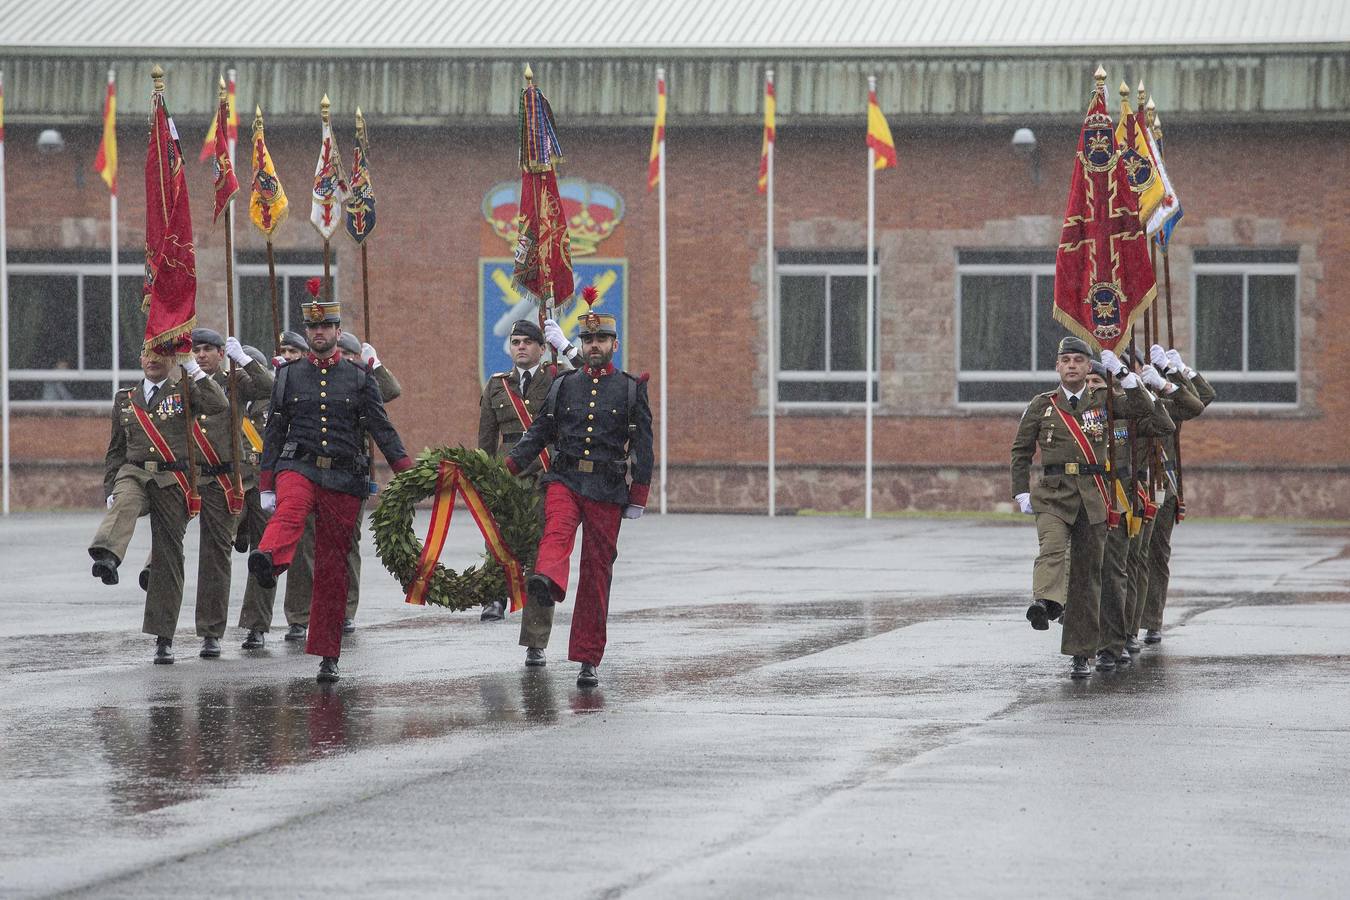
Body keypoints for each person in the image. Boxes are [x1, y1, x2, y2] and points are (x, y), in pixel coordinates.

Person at [248, 291, 412, 683]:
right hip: (298, 465)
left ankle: (327, 654)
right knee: (288, 511)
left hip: (343, 477)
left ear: (338, 331)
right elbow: (274, 433)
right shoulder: (288, 375)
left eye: (325, 326)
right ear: (307, 334)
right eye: (313, 328)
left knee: (332, 567)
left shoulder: (359, 378)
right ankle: (269, 560)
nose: (319, 333)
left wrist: (405, 469)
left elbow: (380, 427)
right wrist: (267, 482)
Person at [505, 306, 653, 688]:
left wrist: (638, 495)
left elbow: (644, 446)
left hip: (606, 487)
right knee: (555, 532)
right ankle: (548, 581)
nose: (593, 346)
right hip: (566, 478)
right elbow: (539, 432)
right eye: (587, 340)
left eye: (600, 339)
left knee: (596, 572)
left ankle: (587, 658)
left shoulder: (631, 387)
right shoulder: (563, 385)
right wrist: (506, 467)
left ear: (613, 344)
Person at [1010, 337, 1155, 678]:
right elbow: (1020, 450)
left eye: (1079, 360)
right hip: (1053, 495)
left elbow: (1145, 410)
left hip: (1093, 497)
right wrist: (1020, 493)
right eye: (1066, 360)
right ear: (1057, 367)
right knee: (1053, 549)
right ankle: (1045, 603)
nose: (1072, 365)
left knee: (1088, 580)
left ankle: (1080, 653)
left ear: (1089, 367)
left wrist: (1126, 376)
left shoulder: (1106, 402)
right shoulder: (1041, 405)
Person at [88, 350, 227, 664]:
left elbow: (219, 405)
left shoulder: (186, 391)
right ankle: (107, 555)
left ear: (173, 360)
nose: (152, 360)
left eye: (160, 354)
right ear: (139, 359)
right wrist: (110, 487)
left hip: (171, 478)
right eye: (146, 354)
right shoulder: (125, 399)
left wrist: (193, 368)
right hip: (134, 471)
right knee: (124, 500)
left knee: (167, 555)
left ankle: (163, 638)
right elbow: (116, 451)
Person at [278, 331, 402, 640]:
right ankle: (299, 615)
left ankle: (345, 611)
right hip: (308, 468)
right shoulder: (310, 377)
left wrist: (375, 364)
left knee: (345, 544)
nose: (343, 361)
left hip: (348, 472)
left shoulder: (361, 380)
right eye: (342, 354)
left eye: (351, 355)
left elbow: (391, 391)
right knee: (304, 543)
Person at [176, 328, 275, 658]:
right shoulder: (189, 383)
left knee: (263, 552)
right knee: (215, 555)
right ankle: (210, 631)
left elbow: (267, 388)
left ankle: (257, 625)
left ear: (222, 354)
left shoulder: (237, 381)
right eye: (197, 349)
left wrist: (244, 359)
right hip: (221, 480)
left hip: (256, 477)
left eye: (209, 349)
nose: (201, 355)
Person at [476, 317, 579, 622]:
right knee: (498, 536)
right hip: (508, 473)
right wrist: (484, 476)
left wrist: (568, 348)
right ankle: (494, 597)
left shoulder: (558, 377)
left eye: (528, 342)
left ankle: (535, 625)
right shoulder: (497, 385)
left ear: (543, 348)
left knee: (540, 548)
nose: (520, 347)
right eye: (516, 343)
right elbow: (486, 438)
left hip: (544, 474)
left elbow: (590, 376)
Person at [1088, 354, 1180, 671]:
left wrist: (1159, 382)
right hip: (1090, 494)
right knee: (1088, 568)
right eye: (1089, 382)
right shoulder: (1086, 412)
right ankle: (1089, 636)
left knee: (1129, 564)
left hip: (1129, 493)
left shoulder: (1132, 409)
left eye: (1099, 381)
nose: (1093, 388)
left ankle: (1126, 633)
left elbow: (1173, 418)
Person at [1138, 344, 1215, 645]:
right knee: (1132, 558)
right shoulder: (1132, 401)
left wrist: (1176, 372)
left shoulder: (1170, 403)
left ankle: (1152, 619)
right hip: (1135, 486)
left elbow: (1202, 399)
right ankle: (1125, 622)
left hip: (1163, 487)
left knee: (1157, 555)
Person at [235, 344, 279, 649]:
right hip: (236, 481)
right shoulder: (228, 401)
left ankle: (256, 625)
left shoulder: (275, 400)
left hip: (264, 482)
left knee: (263, 555)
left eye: (247, 371)